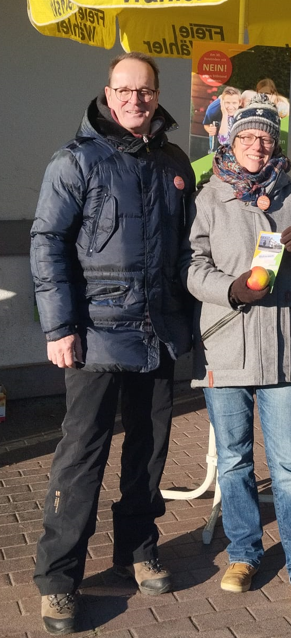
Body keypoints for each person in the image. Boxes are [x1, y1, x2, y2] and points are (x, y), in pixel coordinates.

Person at [31, 52, 195, 635]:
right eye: (124, 90)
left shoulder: (174, 162)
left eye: (144, 90)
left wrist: (191, 325)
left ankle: (137, 550)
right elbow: (48, 241)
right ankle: (58, 579)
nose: (134, 99)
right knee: (82, 458)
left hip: (157, 333)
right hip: (94, 335)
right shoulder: (75, 160)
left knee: (148, 453)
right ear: (107, 93)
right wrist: (59, 327)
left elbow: (187, 248)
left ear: (157, 95)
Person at [183, 94, 291, 609]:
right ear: (231, 141)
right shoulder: (209, 197)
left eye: (265, 138)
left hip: (285, 350)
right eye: (247, 136)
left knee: (289, 466)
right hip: (224, 347)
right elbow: (190, 266)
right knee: (234, 461)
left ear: (275, 144)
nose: (257, 145)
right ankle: (244, 553)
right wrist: (230, 289)